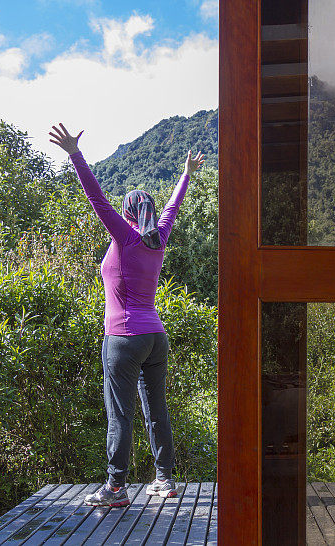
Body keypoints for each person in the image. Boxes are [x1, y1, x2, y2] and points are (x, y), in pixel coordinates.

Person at [49, 123, 204, 507]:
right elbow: (172, 206)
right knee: (156, 408)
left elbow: (97, 199)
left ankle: (116, 488)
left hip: (123, 338)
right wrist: (185, 175)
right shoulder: (159, 237)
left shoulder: (127, 235)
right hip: (156, 337)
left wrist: (75, 155)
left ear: (129, 212)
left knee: (120, 414)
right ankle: (164, 480)